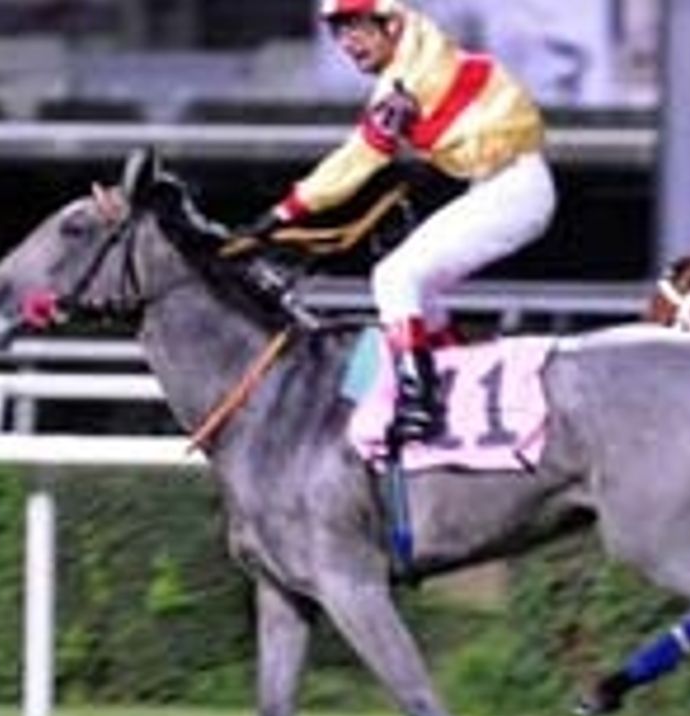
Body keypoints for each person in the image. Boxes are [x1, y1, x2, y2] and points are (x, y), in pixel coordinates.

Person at [234, 0, 556, 442]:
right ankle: (452, 376)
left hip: (513, 188)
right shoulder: (416, 51)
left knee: (393, 278)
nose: (348, 43)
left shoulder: (404, 83)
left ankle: (420, 405)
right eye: (339, 32)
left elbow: (356, 161)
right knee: (415, 288)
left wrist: (283, 213)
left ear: (389, 25)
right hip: (499, 182)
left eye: (357, 28)